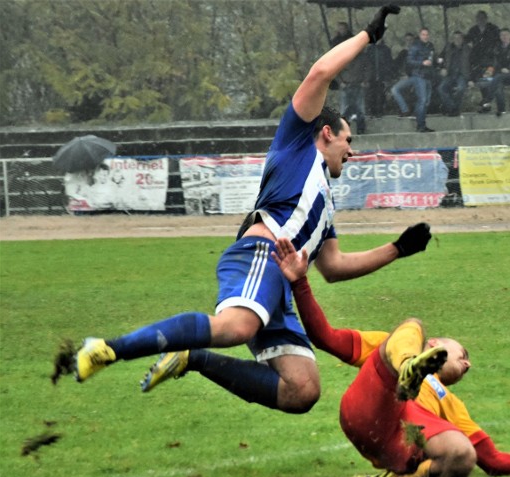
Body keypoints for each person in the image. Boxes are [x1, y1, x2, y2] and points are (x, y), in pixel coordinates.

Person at [69, 5, 435, 418]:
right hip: (259, 258)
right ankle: (106, 349)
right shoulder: (297, 143)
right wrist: (368, 35)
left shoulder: (324, 204)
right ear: (326, 133)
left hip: (279, 281)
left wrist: (398, 249)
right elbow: (319, 75)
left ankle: (194, 358)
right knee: (235, 327)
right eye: (348, 141)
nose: (352, 152)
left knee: (303, 390)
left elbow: (332, 266)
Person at [271, 237, 510, 477]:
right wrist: (300, 282)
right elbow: (324, 337)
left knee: (462, 456)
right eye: (462, 354)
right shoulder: (390, 343)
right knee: (411, 323)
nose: (467, 364)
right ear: (435, 346)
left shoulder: (450, 403)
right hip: (369, 410)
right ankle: (408, 368)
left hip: (399, 445)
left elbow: (493, 462)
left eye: (467, 362)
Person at [390, 27, 436, 133]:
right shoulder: (415, 46)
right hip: (419, 76)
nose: (425, 36)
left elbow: (432, 60)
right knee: (422, 100)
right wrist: (421, 63)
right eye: (423, 34)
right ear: (420, 35)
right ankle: (420, 125)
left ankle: (421, 123)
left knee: (425, 102)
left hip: (428, 76)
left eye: (427, 34)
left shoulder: (430, 46)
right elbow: (409, 61)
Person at [476, 28, 510, 117]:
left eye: (506, 35)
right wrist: (494, 70)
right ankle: (501, 110)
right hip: (500, 75)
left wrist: (509, 70)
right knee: (496, 84)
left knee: (498, 78)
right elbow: (494, 63)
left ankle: (486, 101)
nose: (504, 37)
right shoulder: (497, 48)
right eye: (502, 35)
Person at [436, 31, 472, 117]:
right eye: (455, 38)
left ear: (462, 39)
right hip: (450, 74)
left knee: (460, 89)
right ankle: (453, 108)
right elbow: (440, 58)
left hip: (462, 75)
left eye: (459, 38)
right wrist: (442, 67)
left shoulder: (468, 49)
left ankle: (453, 109)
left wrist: (471, 79)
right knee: (441, 89)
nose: (457, 40)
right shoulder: (448, 48)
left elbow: (473, 64)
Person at [465, 10, 500, 83]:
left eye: (483, 18)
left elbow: (499, 42)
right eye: (479, 18)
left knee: (489, 77)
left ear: (486, 19)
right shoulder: (473, 30)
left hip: (490, 58)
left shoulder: (493, 29)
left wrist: (493, 50)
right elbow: (467, 41)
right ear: (476, 19)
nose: (481, 20)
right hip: (477, 59)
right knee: (477, 78)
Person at [363, 39, 394, 118]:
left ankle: (380, 111)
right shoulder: (369, 49)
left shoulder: (386, 49)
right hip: (372, 76)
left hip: (382, 75)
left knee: (381, 94)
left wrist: (387, 77)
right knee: (371, 94)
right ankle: (372, 111)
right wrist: (367, 77)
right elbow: (366, 64)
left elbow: (389, 64)